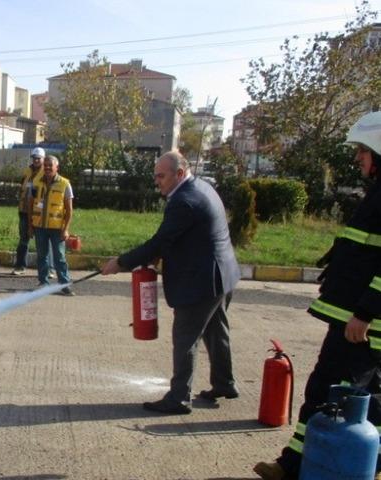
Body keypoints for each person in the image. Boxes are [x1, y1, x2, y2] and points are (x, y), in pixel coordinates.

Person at [253, 112, 381, 480]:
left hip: (359, 323)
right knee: (369, 396)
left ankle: (294, 466)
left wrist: (364, 313)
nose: (357, 157)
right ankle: (369, 463)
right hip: (358, 319)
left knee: (329, 390)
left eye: (363, 150)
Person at [101, 150, 240, 415]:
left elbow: (160, 241)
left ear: (179, 173)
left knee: (186, 338)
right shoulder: (201, 187)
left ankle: (178, 398)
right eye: (155, 176)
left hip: (202, 281)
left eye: (161, 176)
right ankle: (225, 383)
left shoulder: (184, 200)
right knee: (216, 331)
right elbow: (181, 237)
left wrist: (121, 262)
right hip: (223, 274)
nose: (157, 181)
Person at [29, 155, 74, 296]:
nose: (47, 168)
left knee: (59, 257)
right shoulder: (36, 182)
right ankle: (43, 283)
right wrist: (30, 225)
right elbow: (30, 204)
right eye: (46, 165)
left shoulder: (65, 184)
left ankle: (64, 284)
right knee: (42, 255)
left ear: (57, 167)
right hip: (40, 227)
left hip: (57, 228)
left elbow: (69, 210)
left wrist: (66, 229)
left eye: (50, 165)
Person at [14, 147, 50, 275]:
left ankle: (48, 269)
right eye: (34, 158)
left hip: (40, 212)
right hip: (24, 211)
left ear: (43, 159)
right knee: (24, 239)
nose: (36, 160)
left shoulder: (46, 173)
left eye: (38, 158)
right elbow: (22, 188)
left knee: (43, 242)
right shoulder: (27, 171)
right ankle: (20, 266)